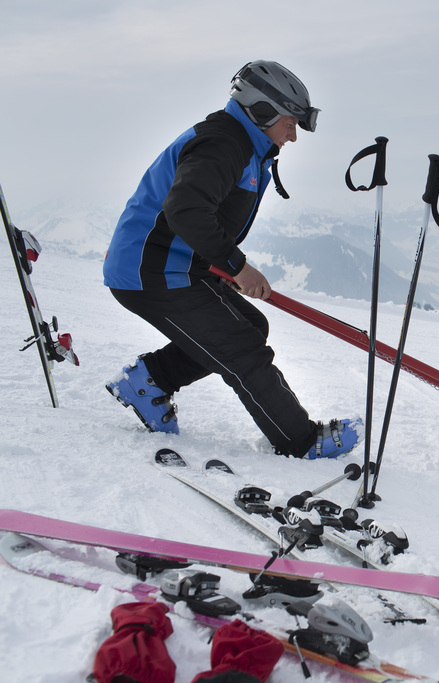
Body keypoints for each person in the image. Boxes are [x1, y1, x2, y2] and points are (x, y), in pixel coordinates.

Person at [102, 60, 361, 460]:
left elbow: (199, 216)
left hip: (178, 266)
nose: (293, 136)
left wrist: (219, 266)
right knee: (242, 349)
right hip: (150, 270)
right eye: (290, 124)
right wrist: (237, 266)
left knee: (251, 325)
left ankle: (149, 381)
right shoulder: (224, 144)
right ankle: (300, 441)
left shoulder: (242, 143)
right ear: (262, 111)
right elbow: (186, 210)